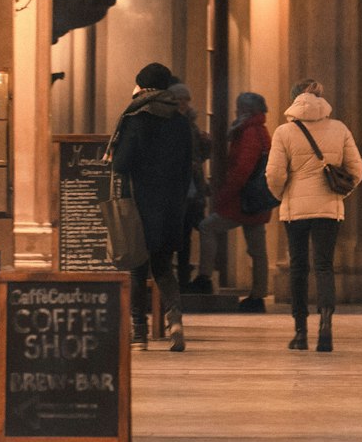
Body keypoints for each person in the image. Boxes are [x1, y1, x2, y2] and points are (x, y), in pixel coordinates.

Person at [265, 79, 362, 354]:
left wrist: (282, 195)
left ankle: (299, 332)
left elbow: (274, 174)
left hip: (295, 209)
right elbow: (356, 169)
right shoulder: (339, 129)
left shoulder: (284, 131)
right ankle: (326, 327)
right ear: (321, 98)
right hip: (329, 209)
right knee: (324, 266)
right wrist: (338, 195)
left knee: (298, 268)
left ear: (295, 99)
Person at [108, 60, 193, 352]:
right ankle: (176, 320)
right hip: (171, 205)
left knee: (136, 269)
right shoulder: (181, 121)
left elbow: (120, 164)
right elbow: (188, 165)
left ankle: (139, 334)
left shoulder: (136, 117)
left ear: (142, 86)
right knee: (163, 267)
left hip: (140, 204)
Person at [188, 92, 272, 310]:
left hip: (242, 199)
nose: (235, 111)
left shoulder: (249, 132)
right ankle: (258, 296)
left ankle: (205, 277)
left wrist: (224, 194)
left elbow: (242, 168)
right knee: (257, 249)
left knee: (207, 227)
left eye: (238, 107)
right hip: (256, 199)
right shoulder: (259, 131)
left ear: (246, 110)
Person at [169, 80, 212, 290]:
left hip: (192, 188)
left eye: (186, 100)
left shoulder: (191, 125)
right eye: (179, 100)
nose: (183, 104)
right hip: (174, 188)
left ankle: (184, 279)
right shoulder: (168, 123)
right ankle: (171, 279)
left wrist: (206, 145)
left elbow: (200, 154)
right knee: (172, 236)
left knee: (186, 235)